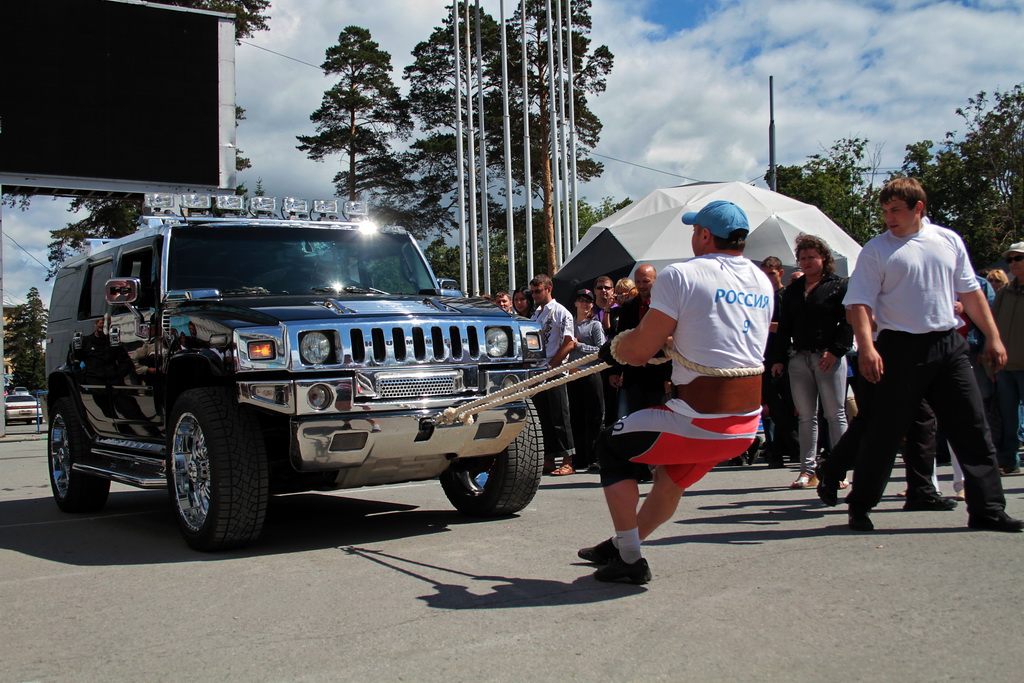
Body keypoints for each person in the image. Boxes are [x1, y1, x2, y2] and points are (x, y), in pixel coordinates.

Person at [577, 200, 773, 584]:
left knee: (610, 446)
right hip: (744, 427)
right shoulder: (761, 280)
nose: (692, 237)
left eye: (694, 230)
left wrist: (615, 349)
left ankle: (629, 558)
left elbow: (638, 351)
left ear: (705, 234)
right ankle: (621, 544)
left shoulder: (681, 274)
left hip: (700, 421)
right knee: (669, 480)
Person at [829, 177, 1021, 533]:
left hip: (948, 344)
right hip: (900, 348)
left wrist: (993, 337)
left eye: (895, 210)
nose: (889, 218)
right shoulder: (876, 250)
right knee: (884, 431)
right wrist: (867, 347)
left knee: (973, 427)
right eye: (885, 211)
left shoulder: (948, 240)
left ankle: (988, 510)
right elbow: (859, 304)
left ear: (918, 208)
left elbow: (971, 293)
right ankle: (860, 506)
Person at [770, 235, 853, 488]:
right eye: (802, 258)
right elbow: (785, 326)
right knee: (806, 416)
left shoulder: (838, 286)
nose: (806, 262)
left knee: (835, 413)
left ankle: (839, 471)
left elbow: (848, 322)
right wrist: (778, 358)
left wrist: (836, 351)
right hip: (799, 357)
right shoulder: (794, 290)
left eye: (811, 257)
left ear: (823, 258)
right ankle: (807, 471)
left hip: (828, 357)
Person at [529, 274, 577, 476]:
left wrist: (552, 365)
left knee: (560, 416)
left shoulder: (561, 312)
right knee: (542, 417)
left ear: (549, 289)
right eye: (532, 292)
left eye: (538, 291)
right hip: (538, 370)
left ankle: (568, 460)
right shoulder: (535, 315)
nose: (535, 295)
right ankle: (548, 459)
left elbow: (569, 342)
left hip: (555, 370)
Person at [608, 265, 672, 415]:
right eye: (638, 281)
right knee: (637, 420)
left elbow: (673, 346)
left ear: (655, 280)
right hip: (633, 377)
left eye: (646, 281)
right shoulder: (628, 306)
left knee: (658, 420)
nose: (641, 285)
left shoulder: (665, 306)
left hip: (658, 377)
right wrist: (615, 371)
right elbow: (620, 339)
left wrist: (669, 377)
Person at [759, 256, 798, 468]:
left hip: (783, 356)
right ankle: (779, 447)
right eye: (764, 274)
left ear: (781, 273)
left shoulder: (785, 296)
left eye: (771, 273)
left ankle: (792, 446)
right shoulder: (763, 297)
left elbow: (786, 327)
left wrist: (764, 325)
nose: (768, 277)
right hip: (765, 355)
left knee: (785, 406)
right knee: (772, 406)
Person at [992, 241, 1024, 474]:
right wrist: (990, 360)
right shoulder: (1004, 292)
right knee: (1008, 416)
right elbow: (993, 326)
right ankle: (1009, 461)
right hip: (1005, 366)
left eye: (1017, 258)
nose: (1012, 263)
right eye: (1009, 259)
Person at [567, 289, 607, 471]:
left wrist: (578, 345)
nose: (585, 304)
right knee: (576, 417)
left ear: (592, 304)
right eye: (581, 300)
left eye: (588, 301)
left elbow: (601, 350)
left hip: (591, 374)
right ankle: (580, 457)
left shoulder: (595, 325)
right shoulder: (569, 324)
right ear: (575, 303)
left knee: (594, 417)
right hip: (573, 375)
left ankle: (595, 457)